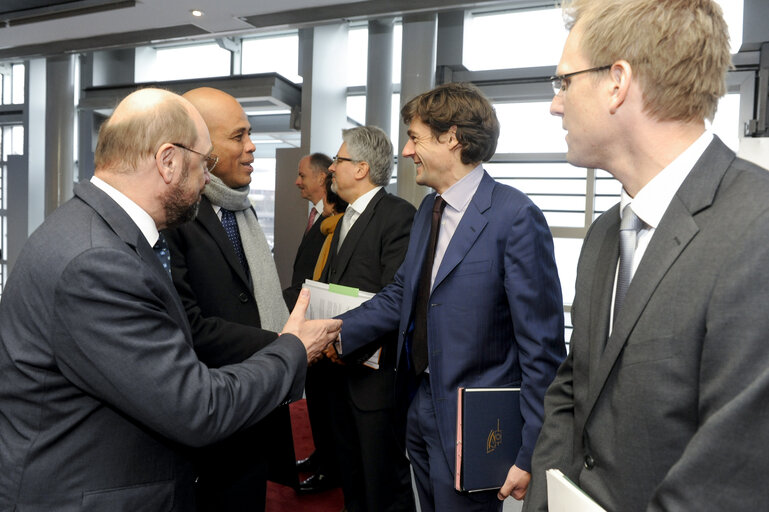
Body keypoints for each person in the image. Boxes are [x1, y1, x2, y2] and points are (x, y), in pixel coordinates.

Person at [0, 87, 341, 511]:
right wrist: (293, 348)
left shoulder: (97, 231)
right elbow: (198, 408)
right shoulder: (98, 261)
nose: (206, 179)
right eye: (204, 164)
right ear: (168, 161)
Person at [523, 1, 769, 510]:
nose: (555, 104)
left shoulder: (757, 227)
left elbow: (729, 479)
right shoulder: (604, 235)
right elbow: (573, 392)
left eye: (563, 82)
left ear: (617, 81)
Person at [332, 83, 565, 512]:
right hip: (419, 405)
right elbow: (403, 292)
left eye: (415, 138)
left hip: (474, 422)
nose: (406, 151)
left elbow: (542, 348)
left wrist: (532, 449)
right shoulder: (427, 210)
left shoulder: (515, 217)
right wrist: (334, 331)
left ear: (452, 138)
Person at [162, 86, 294, 511]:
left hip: (255, 407)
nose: (252, 147)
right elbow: (189, 326)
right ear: (201, 144)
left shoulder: (241, 208)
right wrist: (285, 343)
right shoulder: (175, 216)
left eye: (250, 134)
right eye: (238, 136)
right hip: (211, 420)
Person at [320, 125, 417, 512]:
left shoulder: (398, 216)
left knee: (384, 485)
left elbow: (396, 296)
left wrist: (343, 339)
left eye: (338, 161)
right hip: (340, 372)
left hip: (375, 379)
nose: (331, 169)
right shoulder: (345, 217)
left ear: (361, 168)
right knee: (353, 480)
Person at [284, 153, 332, 309]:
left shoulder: (334, 220)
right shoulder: (316, 216)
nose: (297, 182)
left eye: (302, 176)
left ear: (321, 178)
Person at [313, 172, 347, 279]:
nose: (322, 199)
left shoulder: (335, 228)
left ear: (333, 204)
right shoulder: (330, 227)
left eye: (324, 194)